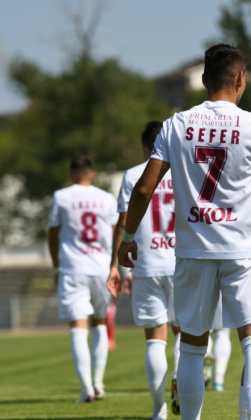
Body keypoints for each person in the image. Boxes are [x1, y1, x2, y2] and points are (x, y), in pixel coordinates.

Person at [117, 43, 251, 420]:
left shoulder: (176, 123)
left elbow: (144, 187)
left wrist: (128, 239)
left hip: (193, 248)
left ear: (205, 79)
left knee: (192, 347)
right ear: (241, 79)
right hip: (242, 249)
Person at [107, 120, 180, 420]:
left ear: (143, 147)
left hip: (145, 262)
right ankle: (180, 378)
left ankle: (158, 409)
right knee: (185, 334)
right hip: (181, 261)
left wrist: (115, 265)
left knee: (154, 337)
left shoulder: (132, 174)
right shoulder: (183, 169)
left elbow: (124, 222)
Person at [47, 155, 118, 403]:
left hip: (73, 269)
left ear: (71, 174)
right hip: (101, 268)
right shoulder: (106, 198)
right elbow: (114, 234)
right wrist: (117, 268)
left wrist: (57, 267)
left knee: (78, 327)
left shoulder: (61, 196)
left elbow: (53, 234)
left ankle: (86, 388)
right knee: (99, 323)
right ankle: (98, 383)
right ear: (93, 174)